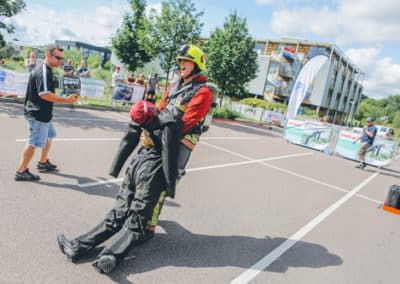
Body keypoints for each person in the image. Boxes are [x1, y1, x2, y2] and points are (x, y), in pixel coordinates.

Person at [57, 101, 179, 274]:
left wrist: (115, 168)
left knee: (118, 213)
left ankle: (83, 249)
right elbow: (169, 155)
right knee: (136, 219)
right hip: (152, 170)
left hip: (137, 164)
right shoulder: (169, 121)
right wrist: (169, 186)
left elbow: (128, 140)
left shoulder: (140, 119)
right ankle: (106, 255)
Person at [108, 44, 213, 236]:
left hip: (181, 141)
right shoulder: (175, 86)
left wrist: (156, 131)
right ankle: (130, 215)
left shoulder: (203, 92)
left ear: (196, 64)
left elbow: (186, 123)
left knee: (165, 180)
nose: (181, 64)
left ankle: (148, 226)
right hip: (162, 133)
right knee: (142, 173)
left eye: (186, 61)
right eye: (180, 61)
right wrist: (150, 128)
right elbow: (161, 108)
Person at [14, 44, 78, 181]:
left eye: (62, 58)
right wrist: (67, 100)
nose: (60, 61)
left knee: (50, 135)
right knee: (33, 142)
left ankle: (43, 162)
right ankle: (21, 171)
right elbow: (45, 95)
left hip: (44, 114)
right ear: (48, 55)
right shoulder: (43, 70)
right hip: (37, 114)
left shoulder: (47, 69)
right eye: (57, 57)